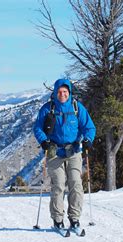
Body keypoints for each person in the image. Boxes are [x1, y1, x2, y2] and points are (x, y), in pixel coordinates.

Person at [33, 79, 96, 231]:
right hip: (54, 152)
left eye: (65, 92)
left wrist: (88, 140)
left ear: (69, 92)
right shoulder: (47, 109)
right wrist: (43, 141)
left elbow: (89, 127)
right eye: (59, 92)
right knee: (59, 185)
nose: (62, 94)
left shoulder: (77, 108)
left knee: (76, 183)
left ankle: (74, 218)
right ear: (55, 93)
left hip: (74, 150)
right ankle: (57, 219)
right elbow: (38, 128)